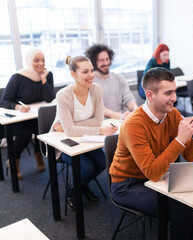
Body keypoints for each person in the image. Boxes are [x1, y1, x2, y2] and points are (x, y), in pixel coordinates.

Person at [110, 67, 193, 240]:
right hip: (128, 184)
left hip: (159, 176)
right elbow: (152, 172)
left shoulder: (172, 114)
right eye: (168, 93)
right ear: (150, 95)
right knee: (182, 210)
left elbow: (192, 158)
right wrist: (180, 140)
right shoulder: (134, 124)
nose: (175, 99)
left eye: (175, 92)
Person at [51, 55, 118, 208]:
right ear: (73, 74)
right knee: (87, 167)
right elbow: (69, 131)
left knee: (102, 163)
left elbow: (98, 120)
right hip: (64, 143)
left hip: (86, 139)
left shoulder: (96, 89)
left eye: (92, 71)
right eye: (85, 72)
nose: (91, 75)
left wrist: (73, 125)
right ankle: (74, 188)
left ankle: (80, 184)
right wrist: (98, 130)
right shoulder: (63, 95)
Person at [1, 47, 55, 179]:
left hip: (36, 116)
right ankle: (14, 160)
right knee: (25, 135)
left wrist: (43, 79)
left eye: (43, 60)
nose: (40, 63)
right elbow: (4, 100)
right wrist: (18, 107)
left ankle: (38, 153)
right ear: (29, 61)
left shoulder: (48, 75)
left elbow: (49, 98)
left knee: (44, 130)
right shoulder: (18, 77)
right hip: (20, 119)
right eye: (36, 60)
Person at [84, 44, 138, 120]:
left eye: (107, 59)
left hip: (120, 120)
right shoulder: (89, 83)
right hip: (101, 123)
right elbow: (98, 107)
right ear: (93, 62)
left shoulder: (120, 79)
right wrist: (120, 116)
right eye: (101, 60)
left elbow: (129, 99)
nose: (106, 63)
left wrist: (136, 110)